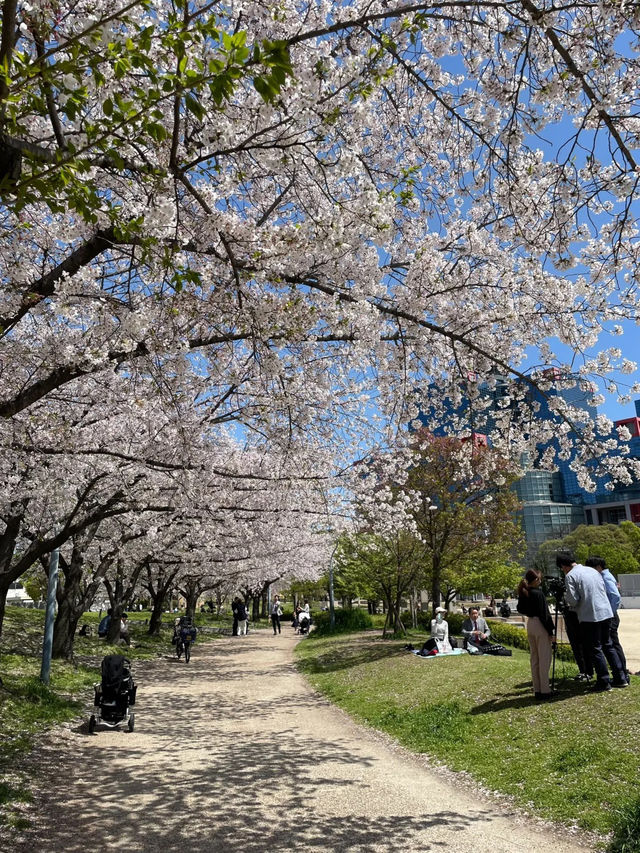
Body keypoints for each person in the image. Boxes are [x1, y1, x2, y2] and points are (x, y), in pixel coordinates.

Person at [557, 551, 627, 691]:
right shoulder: (592, 571)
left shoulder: (570, 576)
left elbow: (573, 600)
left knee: (595, 648)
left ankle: (603, 681)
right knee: (608, 645)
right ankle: (620, 677)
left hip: (590, 616)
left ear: (563, 566)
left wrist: (567, 600)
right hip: (606, 613)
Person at [585, 556, 630, 684]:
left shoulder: (605, 576)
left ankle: (622, 673)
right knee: (611, 644)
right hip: (609, 614)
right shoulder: (602, 576)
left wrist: (608, 612)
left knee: (613, 644)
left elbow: (615, 596)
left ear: (598, 567)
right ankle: (621, 674)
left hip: (610, 615)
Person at [517, 569, 555, 701]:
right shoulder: (538, 594)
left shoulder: (524, 593)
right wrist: (551, 631)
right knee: (544, 658)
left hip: (530, 624)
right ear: (537, 580)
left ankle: (537, 689)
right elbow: (545, 614)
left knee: (535, 658)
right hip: (540, 624)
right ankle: (545, 689)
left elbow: (520, 609)